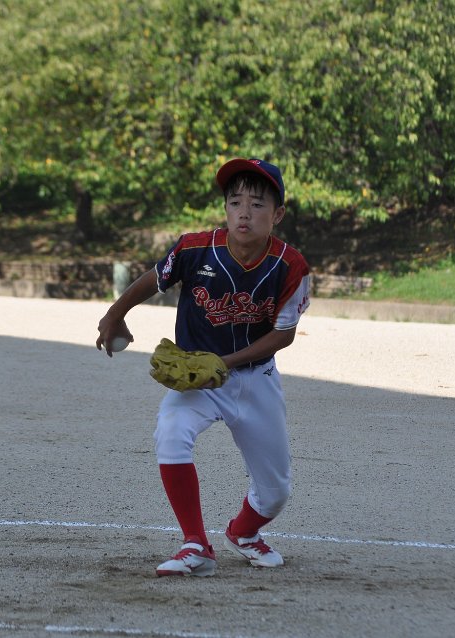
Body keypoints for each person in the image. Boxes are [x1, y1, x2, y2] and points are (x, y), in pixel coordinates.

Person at [96, 158, 311, 576]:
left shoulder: (291, 265)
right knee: (171, 433)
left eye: (257, 204)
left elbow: (283, 335)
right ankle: (195, 544)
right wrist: (115, 313)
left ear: (278, 215)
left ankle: (243, 533)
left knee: (275, 492)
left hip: (256, 380)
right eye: (235, 202)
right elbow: (155, 277)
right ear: (225, 209)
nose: (244, 212)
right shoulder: (195, 248)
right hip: (199, 380)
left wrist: (224, 362)